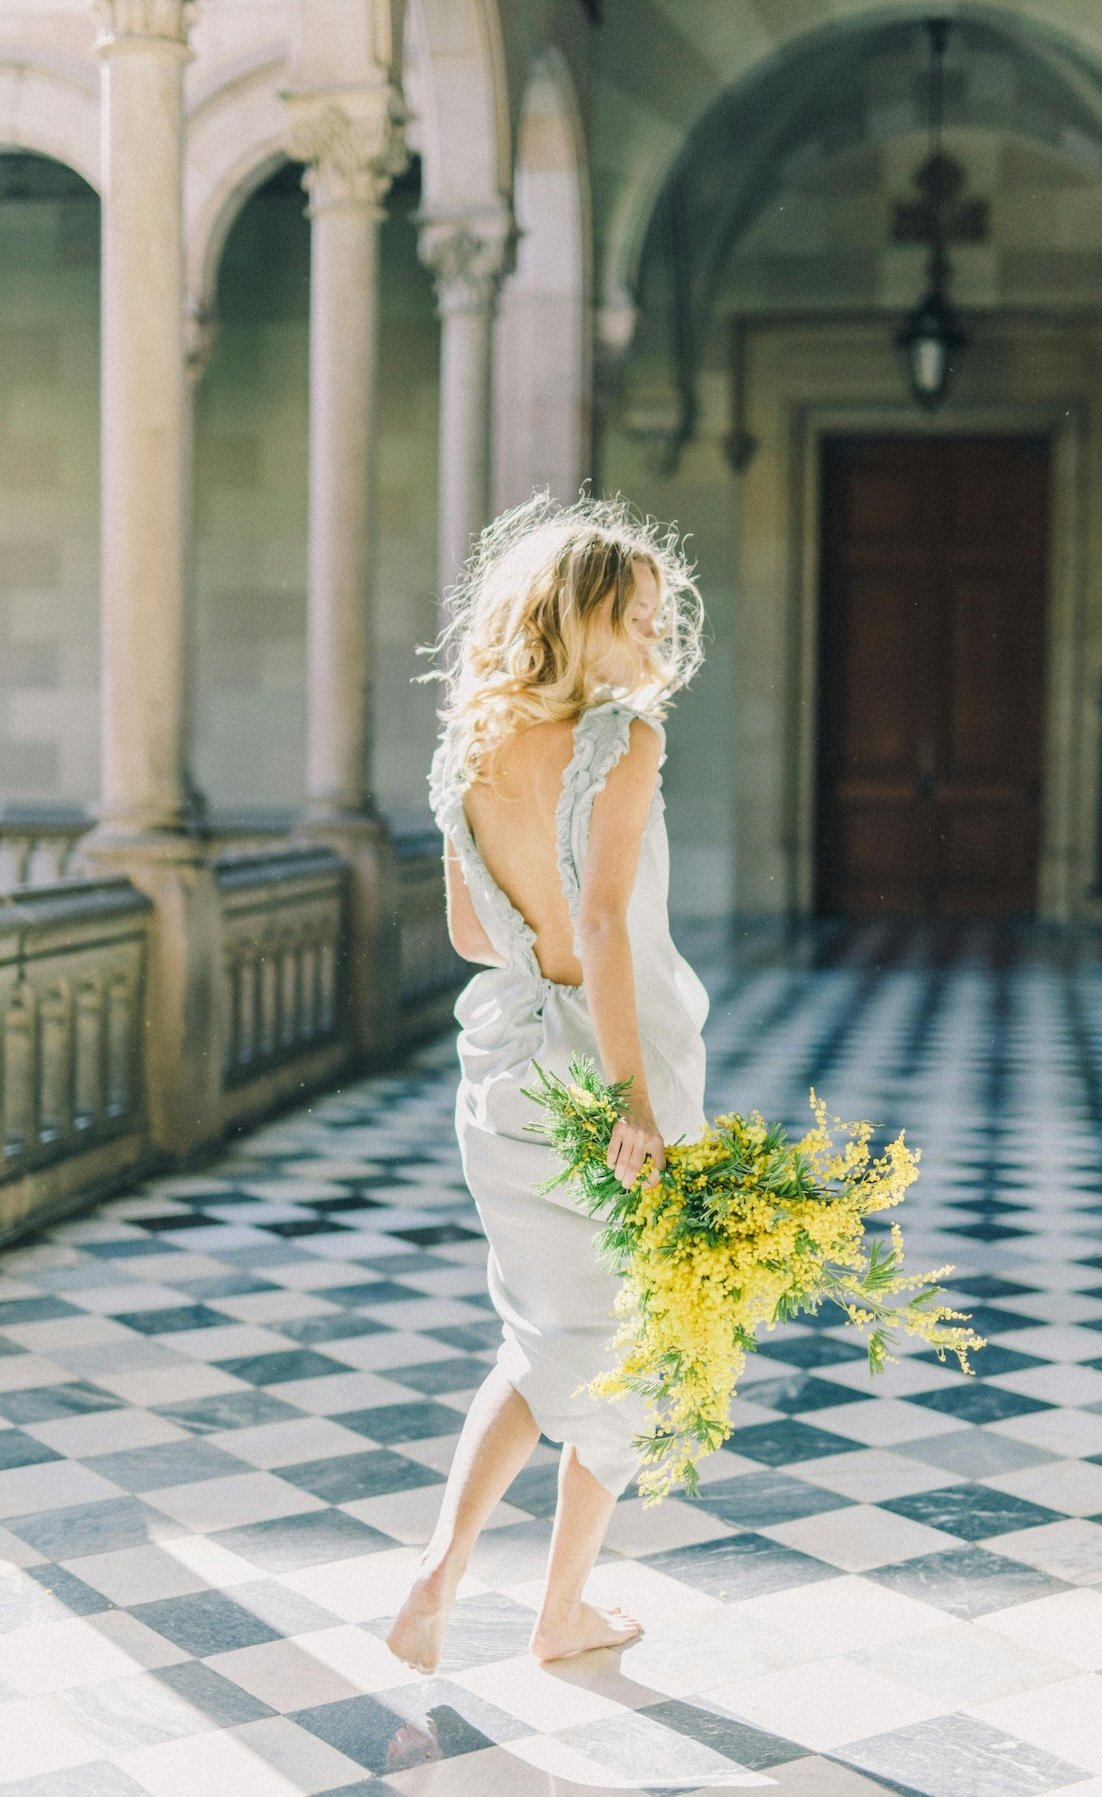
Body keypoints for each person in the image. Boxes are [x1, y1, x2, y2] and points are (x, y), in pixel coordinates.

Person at [387, 492, 709, 1673]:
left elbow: (478, 934)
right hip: (607, 1065)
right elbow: (607, 923)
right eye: (638, 619)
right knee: (624, 1344)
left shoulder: (465, 748)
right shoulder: (621, 741)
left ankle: (442, 1575)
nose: (654, 647)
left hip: (505, 1070)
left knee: (543, 1340)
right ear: (579, 623)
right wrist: (633, 1096)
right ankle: (557, 1609)